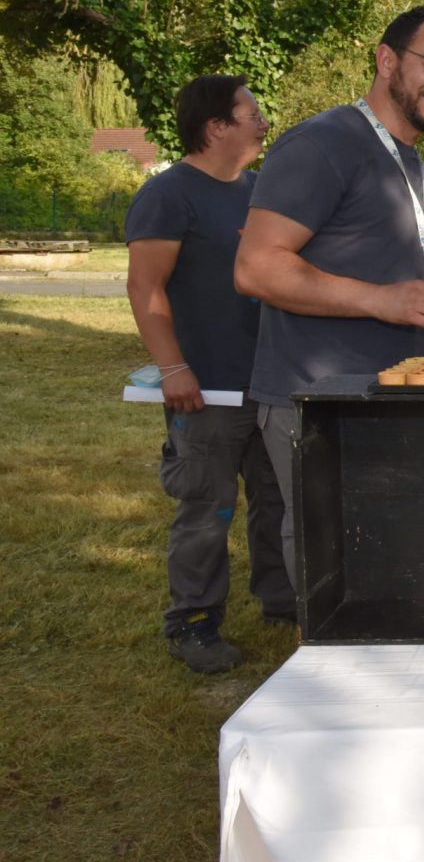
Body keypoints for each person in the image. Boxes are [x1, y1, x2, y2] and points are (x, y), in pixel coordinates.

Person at [236, 5, 424, 590]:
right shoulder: (323, 143)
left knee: (387, 562)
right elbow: (256, 268)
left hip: (385, 398)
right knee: (334, 571)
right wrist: (383, 300)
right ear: (386, 60)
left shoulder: (409, 158)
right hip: (318, 401)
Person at [125, 75, 294, 672]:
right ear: (216, 126)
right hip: (206, 390)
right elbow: (144, 287)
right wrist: (173, 368)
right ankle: (193, 623)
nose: (263, 122)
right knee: (207, 507)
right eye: (252, 113)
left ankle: (283, 601)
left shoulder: (262, 191)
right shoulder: (169, 195)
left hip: (270, 383)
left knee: (278, 500)